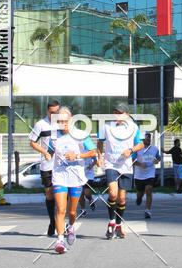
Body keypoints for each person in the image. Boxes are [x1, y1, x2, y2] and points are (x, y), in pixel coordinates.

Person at [51, 107, 97, 254]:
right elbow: (50, 150)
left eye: (65, 121)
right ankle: (60, 240)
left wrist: (76, 156)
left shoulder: (80, 135)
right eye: (59, 121)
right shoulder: (54, 136)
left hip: (76, 177)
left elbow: (93, 151)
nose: (62, 124)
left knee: (71, 212)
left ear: (70, 121)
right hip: (59, 176)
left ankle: (70, 227)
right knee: (61, 209)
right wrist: (46, 155)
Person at [98, 103, 143, 239]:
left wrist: (130, 150)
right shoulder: (106, 126)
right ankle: (111, 223)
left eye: (121, 113)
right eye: (116, 112)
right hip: (111, 163)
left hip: (126, 165)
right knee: (113, 194)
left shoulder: (134, 128)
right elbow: (100, 142)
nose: (118, 115)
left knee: (122, 198)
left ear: (127, 115)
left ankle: (118, 225)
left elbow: (140, 144)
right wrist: (99, 157)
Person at [29, 99, 60, 236]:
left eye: (57, 112)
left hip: (61, 165)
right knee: (49, 193)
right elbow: (32, 142)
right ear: (48, 111)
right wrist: (45, 152)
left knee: (60, 193)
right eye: (53, 112)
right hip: (47, 164)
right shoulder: (40, 124)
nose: (55, 114)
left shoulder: (63, 124)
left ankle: (59, 222)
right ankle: (52, 221)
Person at [133, 132, 161, 219]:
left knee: (148, 190)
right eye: (146, 138)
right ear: (143, 139)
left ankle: (147, 210)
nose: (148, 140)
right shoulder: (137, 149)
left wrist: (157, 160)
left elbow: (158, 157)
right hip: (139, 175)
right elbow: (132, 160)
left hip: (150, 174)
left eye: (149, 138)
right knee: (140, 193)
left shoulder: (154, 149)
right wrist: (140, 164)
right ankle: (139, 198)